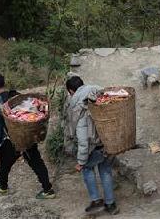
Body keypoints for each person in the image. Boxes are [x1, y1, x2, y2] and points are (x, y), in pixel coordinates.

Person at [0, 72, 55, 199]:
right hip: (29, 135)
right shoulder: (17, 97)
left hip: (13, 140)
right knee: (36, 162)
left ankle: (2, 186)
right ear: (4, 83)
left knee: (5, 165)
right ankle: (48, 189)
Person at [64, 75, 119, 215]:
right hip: (108, 143)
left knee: (87, 168)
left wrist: (81, 162)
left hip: (95, 147)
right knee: (105, 171)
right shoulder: (98, 96)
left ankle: (96, 201)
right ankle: (110, 204)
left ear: (71, 91)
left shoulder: (80, 108)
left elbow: (83, 141)